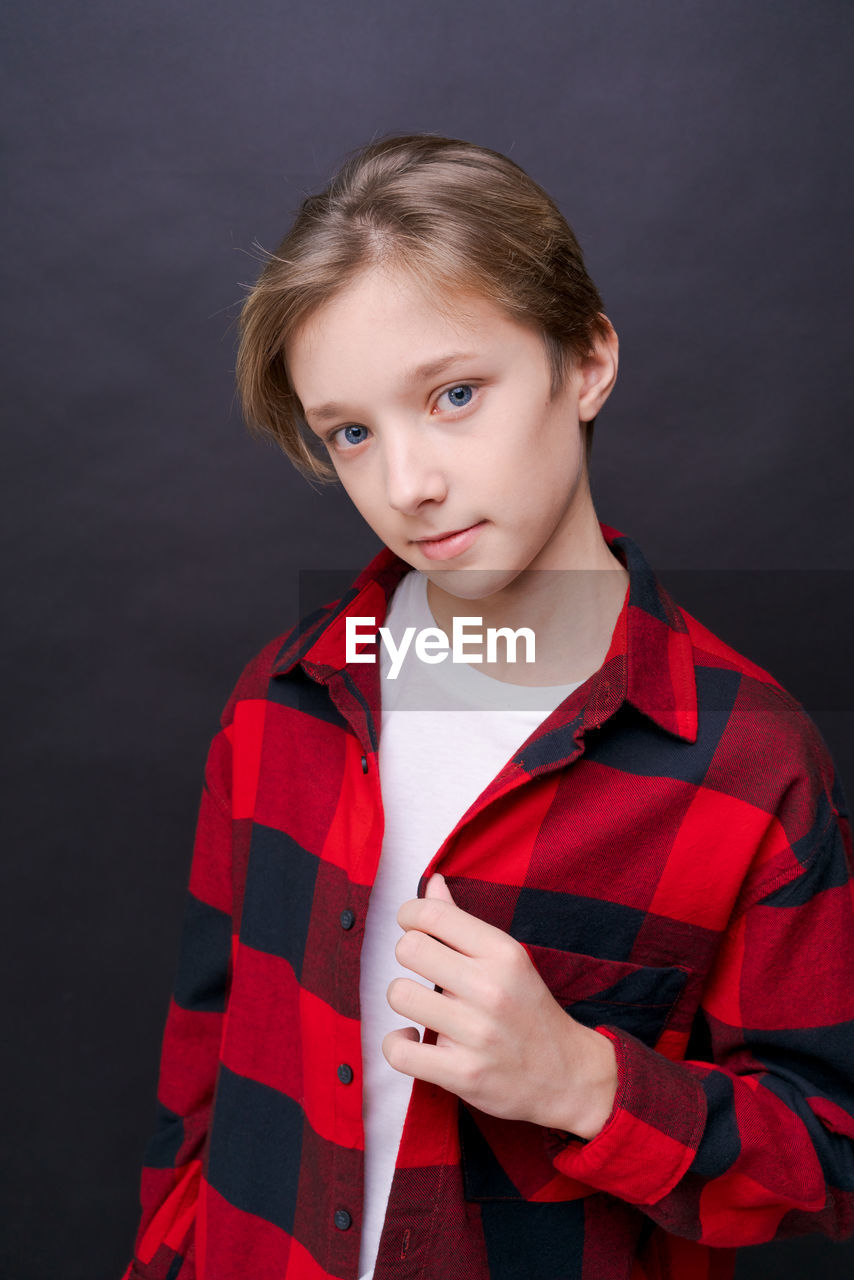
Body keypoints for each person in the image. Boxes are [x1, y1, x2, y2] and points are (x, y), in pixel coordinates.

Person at [122, 133, 854, 1280]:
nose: (406, 482)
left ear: (586, 359)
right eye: (351, 433)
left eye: (453, 393)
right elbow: (204, 1072)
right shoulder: (281, 702)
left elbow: (829, 1157)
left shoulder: (749, 759)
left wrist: (582, 1081)